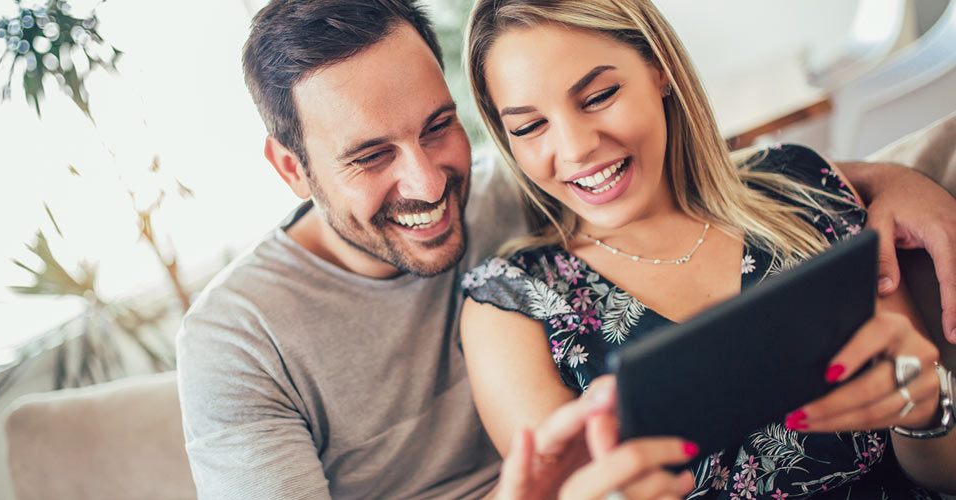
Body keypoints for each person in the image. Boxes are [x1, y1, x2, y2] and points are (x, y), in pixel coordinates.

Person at [175, 0, 956, 498]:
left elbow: (704, 183)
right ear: (291, 168)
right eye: (370, 156)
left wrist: (894, 179)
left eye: (438, 126)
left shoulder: (509, 187)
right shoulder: (236, 343)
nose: (427, 180)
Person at [460, 0, 956, 498]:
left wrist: (927, 409)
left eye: (599, 96)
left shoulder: (802, 189)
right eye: (528, 127)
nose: (573, 148)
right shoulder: (511, 306)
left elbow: (942, 473)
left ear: (660, 69)